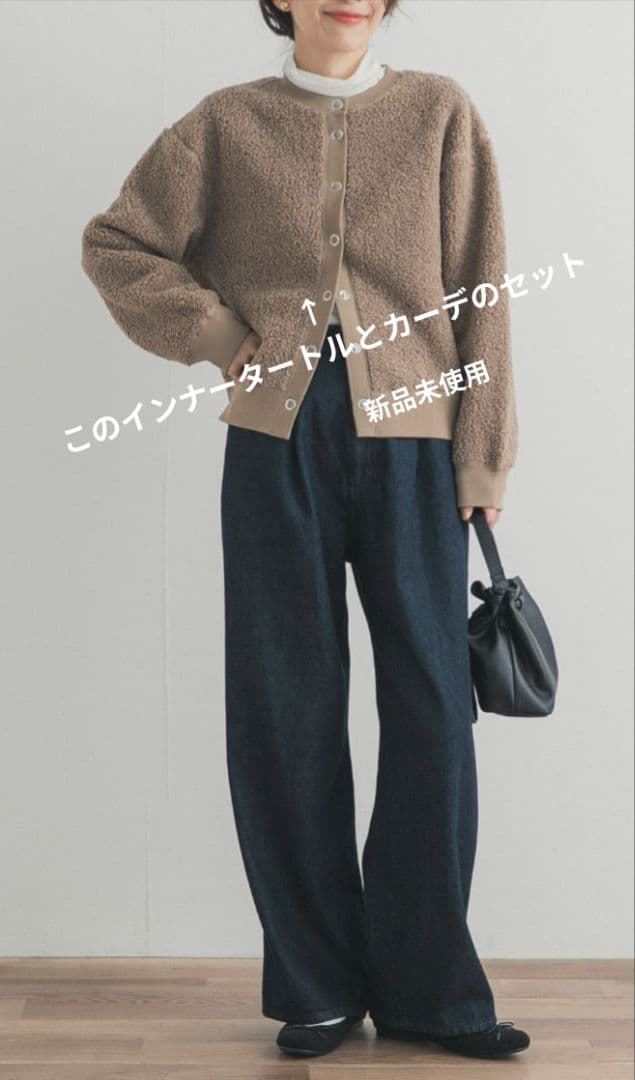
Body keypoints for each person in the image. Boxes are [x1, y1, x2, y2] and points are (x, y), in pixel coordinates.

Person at [81, 0, 529, 1062]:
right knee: (285, 705)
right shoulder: (225, 124)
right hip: (274, 439)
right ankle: (317, 986)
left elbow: (481, 291)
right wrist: (219, 336)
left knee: (431, 706)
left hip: (416, 443)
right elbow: (117, 244)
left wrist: (483, 453)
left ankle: (429, 991)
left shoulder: (439, 114)